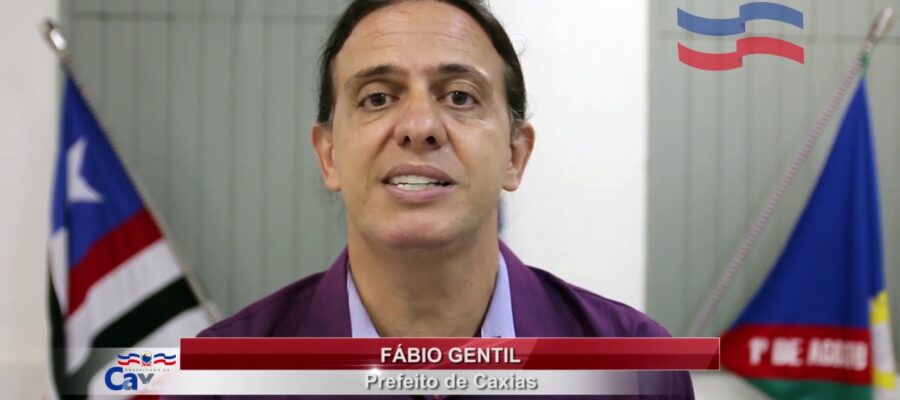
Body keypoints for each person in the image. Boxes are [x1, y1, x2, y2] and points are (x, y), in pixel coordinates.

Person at [167, 0, 694, 398]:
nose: (419, 126)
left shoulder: (637, 369)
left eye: (460, 96)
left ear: (515, 154)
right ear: (329, 156)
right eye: (377, 98)